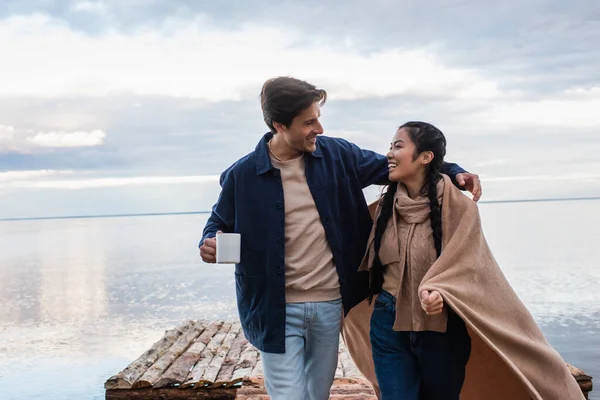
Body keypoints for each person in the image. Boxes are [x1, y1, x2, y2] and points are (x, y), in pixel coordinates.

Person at [198, 77, 481, 400]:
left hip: (330, 306)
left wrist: (455, 172)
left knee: (317, 394)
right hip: (274, 308)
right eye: (308, 122)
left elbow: (400, 166)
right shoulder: (243, 174)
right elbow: (218, 223)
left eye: (318, 117)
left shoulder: (337, 156)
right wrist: (210, 242)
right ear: (279, 125)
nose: (318, 127)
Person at [347, 121, 584, 400]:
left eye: (398, 146)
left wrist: (440, 290)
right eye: (390, 146)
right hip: (387, 319)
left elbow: (468, 263)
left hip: (441, 325)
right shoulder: (384, 208)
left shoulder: (459, 208)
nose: (389, 153)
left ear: (425, 157)